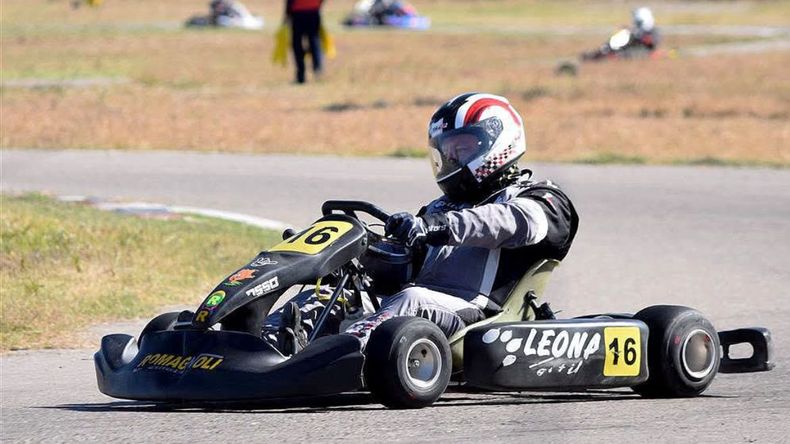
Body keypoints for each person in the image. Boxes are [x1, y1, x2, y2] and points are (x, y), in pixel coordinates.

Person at [263, 93, 579, 354]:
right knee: (340, 292)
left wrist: (432, 226)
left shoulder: (540, 199)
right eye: (447, 150)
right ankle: (266, 341)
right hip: (419, 308)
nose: (452, 158)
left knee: (410, 299)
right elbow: (399, 263)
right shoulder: (442, 207)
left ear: (499, 144)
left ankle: (331, 357)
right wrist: (341, 254)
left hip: (478, 317)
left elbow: (504, 223)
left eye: (463, 148)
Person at [285, 0, 324, 84]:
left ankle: (301, 73)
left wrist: (287, 14)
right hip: (313, 11)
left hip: (298, 12)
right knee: (314, 40)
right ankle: (317, 67)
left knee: (297, 44)